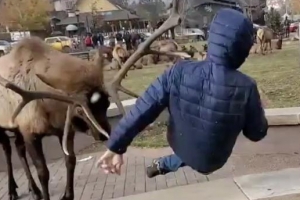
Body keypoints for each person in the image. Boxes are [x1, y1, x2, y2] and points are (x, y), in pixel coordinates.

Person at [97, 8, 268, 178]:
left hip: (182, 145)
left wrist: (116, 146)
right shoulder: (247, 87)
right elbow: (256, 133)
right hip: (216, 157)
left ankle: (163, 164)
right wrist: (258, 112)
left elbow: (144, 107)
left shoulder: (178, 72)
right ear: (244, 47)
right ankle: (165, 164)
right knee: (201, 152)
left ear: (213, 38)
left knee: (190, 152)